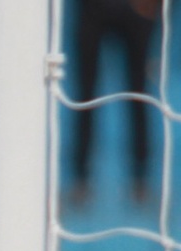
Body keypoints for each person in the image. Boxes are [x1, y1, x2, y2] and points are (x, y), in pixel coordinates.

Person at [67, 0, 160, 209]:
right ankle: (80, 180)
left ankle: (141, 180)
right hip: (92, 7)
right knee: (84, 95)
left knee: (139, 93)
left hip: (137, 8)